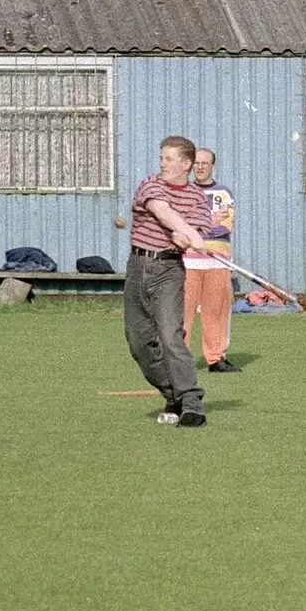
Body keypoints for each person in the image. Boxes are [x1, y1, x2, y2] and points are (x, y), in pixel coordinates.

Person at [125, 135, 212, 427]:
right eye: (162, 157)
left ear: (186, 164)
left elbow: (195, 230)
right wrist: (187, 231)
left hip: (169, 271)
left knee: (171, 337)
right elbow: (162, 210)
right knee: (138, 342)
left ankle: (191, 403)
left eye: (170, 158)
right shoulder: (151, 184)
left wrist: (186, 240)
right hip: (138, 266)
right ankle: (171, 392)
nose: (163, 163)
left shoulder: (197, 197)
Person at [182, 148, 242, 373]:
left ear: (212, 166)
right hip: (188, 262)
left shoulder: (223, 193)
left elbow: (224, 226)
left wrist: (196, 227)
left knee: (216, 311)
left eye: (205, 163)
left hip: (217, 261)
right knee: (182, 312)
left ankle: (216, 358)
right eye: (196, 163)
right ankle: (178, 360)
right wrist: (201, 225)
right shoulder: (183, 192)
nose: (200, 167)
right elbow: (179, 223)